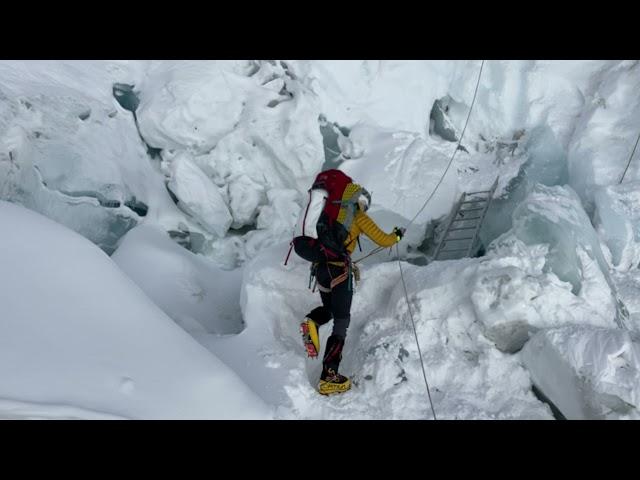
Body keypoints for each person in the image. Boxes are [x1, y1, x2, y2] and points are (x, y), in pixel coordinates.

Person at [301, 189, 405, 395]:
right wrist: (398, 235)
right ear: (360, 201)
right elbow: (383, 240)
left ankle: (312, 321)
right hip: (340, 271)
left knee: (329, 309)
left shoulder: (326, 215)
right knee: (342, 320)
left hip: (320, 269)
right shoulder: (357, 216)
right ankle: (329, 375)